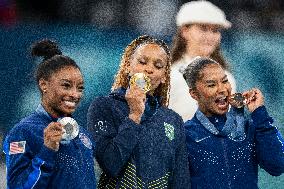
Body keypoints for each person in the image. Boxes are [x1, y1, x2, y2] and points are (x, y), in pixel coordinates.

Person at [87, 35, 190, 188]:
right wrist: (134, 116)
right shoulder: (104, 106)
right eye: (142, 62)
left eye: (158, 66)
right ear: (128, 66)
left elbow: (180, 182)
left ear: (163, 76)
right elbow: (110, 164)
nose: (149, 69)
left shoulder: (173, 120)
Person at [3, 39, 97, 189]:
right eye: (66, 86)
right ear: (43, 84)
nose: (74, 94)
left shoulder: (83, 136)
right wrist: (47, 150)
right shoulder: (22, 133)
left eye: (80, 88)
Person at [182, 57, 284, 189]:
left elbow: (278, 165)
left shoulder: (248, 128)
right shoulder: (186, 134)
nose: (222, 89)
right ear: (194, 94)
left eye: (225, 81)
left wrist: (259, 114)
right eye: (211, 85)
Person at [169, 0, 237, 121]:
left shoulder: (228, 78)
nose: (210, 37)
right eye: (203, 29)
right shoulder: (169, 76)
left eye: (215, 30)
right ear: (185, 31)